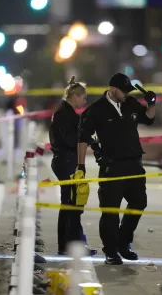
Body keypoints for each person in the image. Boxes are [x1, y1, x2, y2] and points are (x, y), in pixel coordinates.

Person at [76, 73, 156, 265]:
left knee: (139, 203)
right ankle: (111, 251)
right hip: (112, 165)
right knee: (110, 210)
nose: (127, 94)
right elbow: (83, 138)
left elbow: (148, 119)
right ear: (112, 89)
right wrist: (81, 166)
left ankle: (123, 243)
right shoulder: (96, 110)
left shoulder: (130, 103)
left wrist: (152, 103)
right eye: (124, 91)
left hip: (134, 162)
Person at [49, 76, 97, 256]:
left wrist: (89, 140)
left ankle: (70, 244)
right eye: (83, 98)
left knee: (71, 204)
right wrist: (85, 140)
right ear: (75, 96)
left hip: (65, 161)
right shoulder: (64, 113)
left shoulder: (65, 112)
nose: (84, 101)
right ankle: (70, 245)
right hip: (65, 161)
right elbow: (71, 139)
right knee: (71, 205)